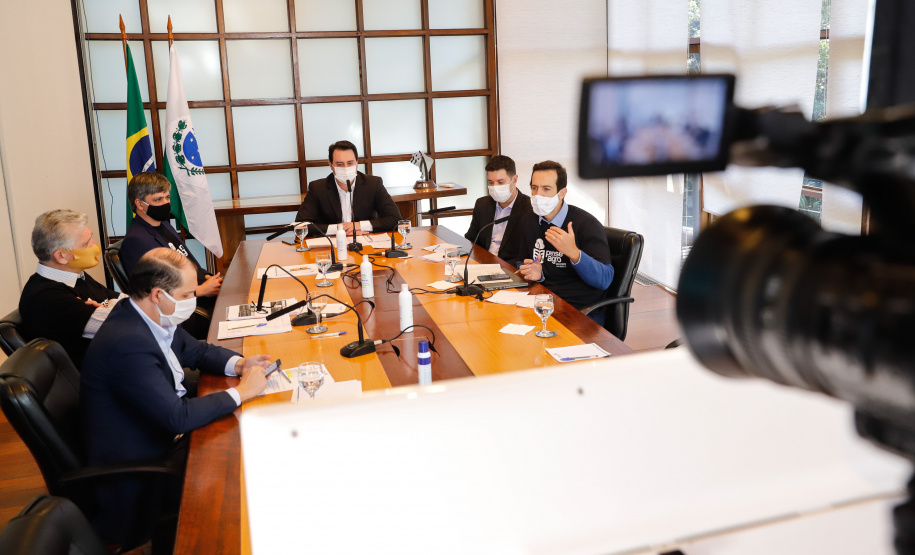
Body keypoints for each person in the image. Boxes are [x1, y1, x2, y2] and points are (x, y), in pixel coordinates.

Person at [80, 248, 269, 548]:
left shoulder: (145, 313)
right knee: (246, 475)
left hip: (160, 434)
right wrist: (242, 391)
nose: (192, 302)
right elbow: (177, 416)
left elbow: (196, 350)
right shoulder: (128, 342)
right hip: (144, 469)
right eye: (186, 295)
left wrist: (241, 364)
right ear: (157, 294)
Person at [18, 209, 124, 368]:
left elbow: (122, 300)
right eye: (86, 243)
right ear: (61, 256)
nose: (94, 245)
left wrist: (111, 307)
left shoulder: (76, 276)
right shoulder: (47, 297)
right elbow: (130, 324)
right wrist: (114, 308)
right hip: (105, 379)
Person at [514, 161, 614, 325]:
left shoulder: (586, 224)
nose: (538, 195)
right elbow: (521, 260)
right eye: (534, 188)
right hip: (541, 301)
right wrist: (533, 271)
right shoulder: (529, 220)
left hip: (579, 311)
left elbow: (604, 280)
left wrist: (575, 254)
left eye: (546, 189)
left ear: (562, 193)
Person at [119, 171, 222, 303]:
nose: (165, 203)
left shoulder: (164, 225)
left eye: (167, 197)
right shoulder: (136, 241)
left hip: (202, 293)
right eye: (158, 199)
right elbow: (152, 293)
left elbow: (188, 262)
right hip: (185, 309)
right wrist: (201, 290)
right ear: (139, 204)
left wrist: (208, 278)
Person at [295, 140, 402, 235]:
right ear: (331, 165)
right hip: (332, 244)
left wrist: (358, 226)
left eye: (350, 163)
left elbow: (395, 220)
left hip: (365, 241)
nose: (346, 168)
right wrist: (340, 229)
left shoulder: (373, 184)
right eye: (340, 164)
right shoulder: (318, 188)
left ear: (357, 163)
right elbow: (300, 225)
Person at [464, 155, 532, 264]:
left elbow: (530, 253)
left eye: (500, 182)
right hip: (482, 264)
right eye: (491, 182)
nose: (495, 187)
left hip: (511, 269)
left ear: (514, 180)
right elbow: (471, 240)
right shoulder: (482, 204)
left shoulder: (530, 208)